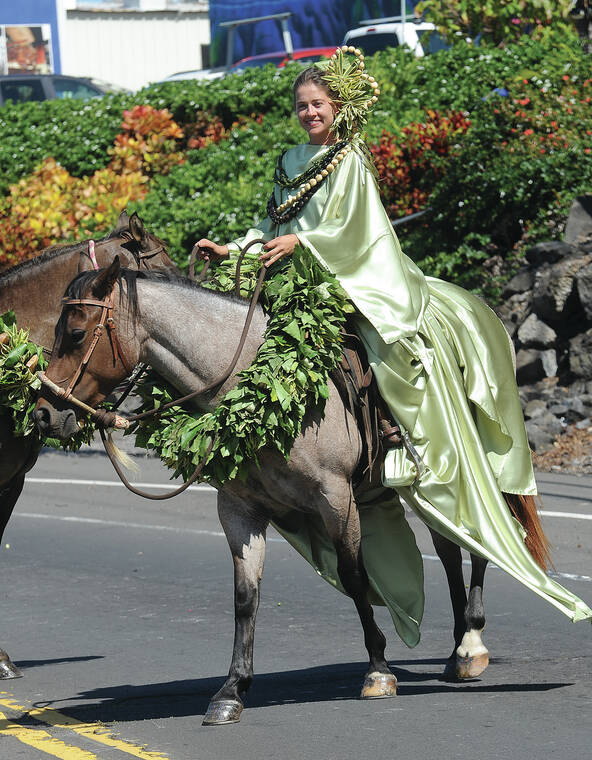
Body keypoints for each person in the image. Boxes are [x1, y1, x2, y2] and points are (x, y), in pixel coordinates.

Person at [197, 48, 592, 625]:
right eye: (302, 106)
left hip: (352, 275)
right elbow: (272, 224)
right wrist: (236, 248)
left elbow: (357, 230)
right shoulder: (289, 161)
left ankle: (401, 436)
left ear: (338, 108)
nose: (309, 113)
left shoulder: (349, 161)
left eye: (318, 105)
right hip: (289, 277)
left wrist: (304, 245)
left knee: (378, 345)